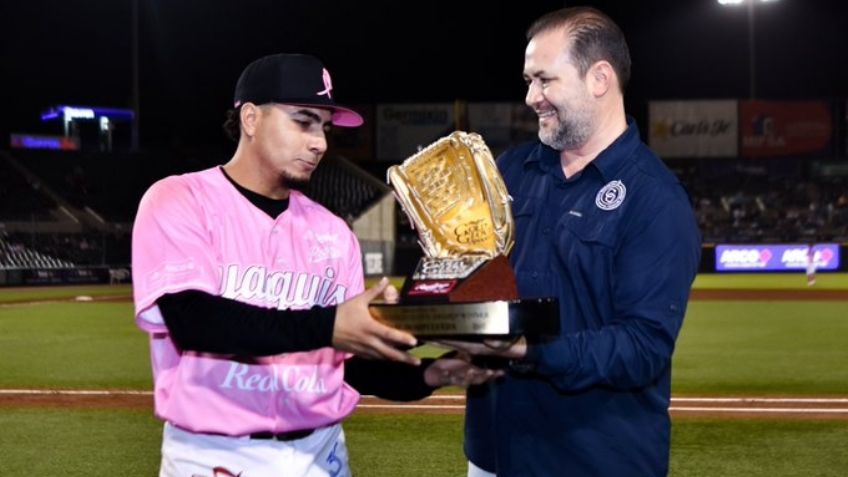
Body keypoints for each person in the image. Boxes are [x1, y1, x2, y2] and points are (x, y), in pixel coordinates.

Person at [131, 53, 495, 477]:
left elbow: (346, 365)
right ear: (251, 118)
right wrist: (330, 324)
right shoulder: (181, 199)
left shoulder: (333, 232)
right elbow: (195, 322)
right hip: (214, 455)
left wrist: (430, 374)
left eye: (324, 127)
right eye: (303, 122)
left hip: (320, 454)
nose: (319, 142)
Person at [438, 7, 702, 476]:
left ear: (599, 78)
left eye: (544, 80)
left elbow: (642, 347)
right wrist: (438, 287)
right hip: (492, 453)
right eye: (528, 81)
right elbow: (474, 281)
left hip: (593, 460)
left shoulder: (656, 199)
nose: (530, 97)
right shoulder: (509, 170)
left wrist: (527, 349)